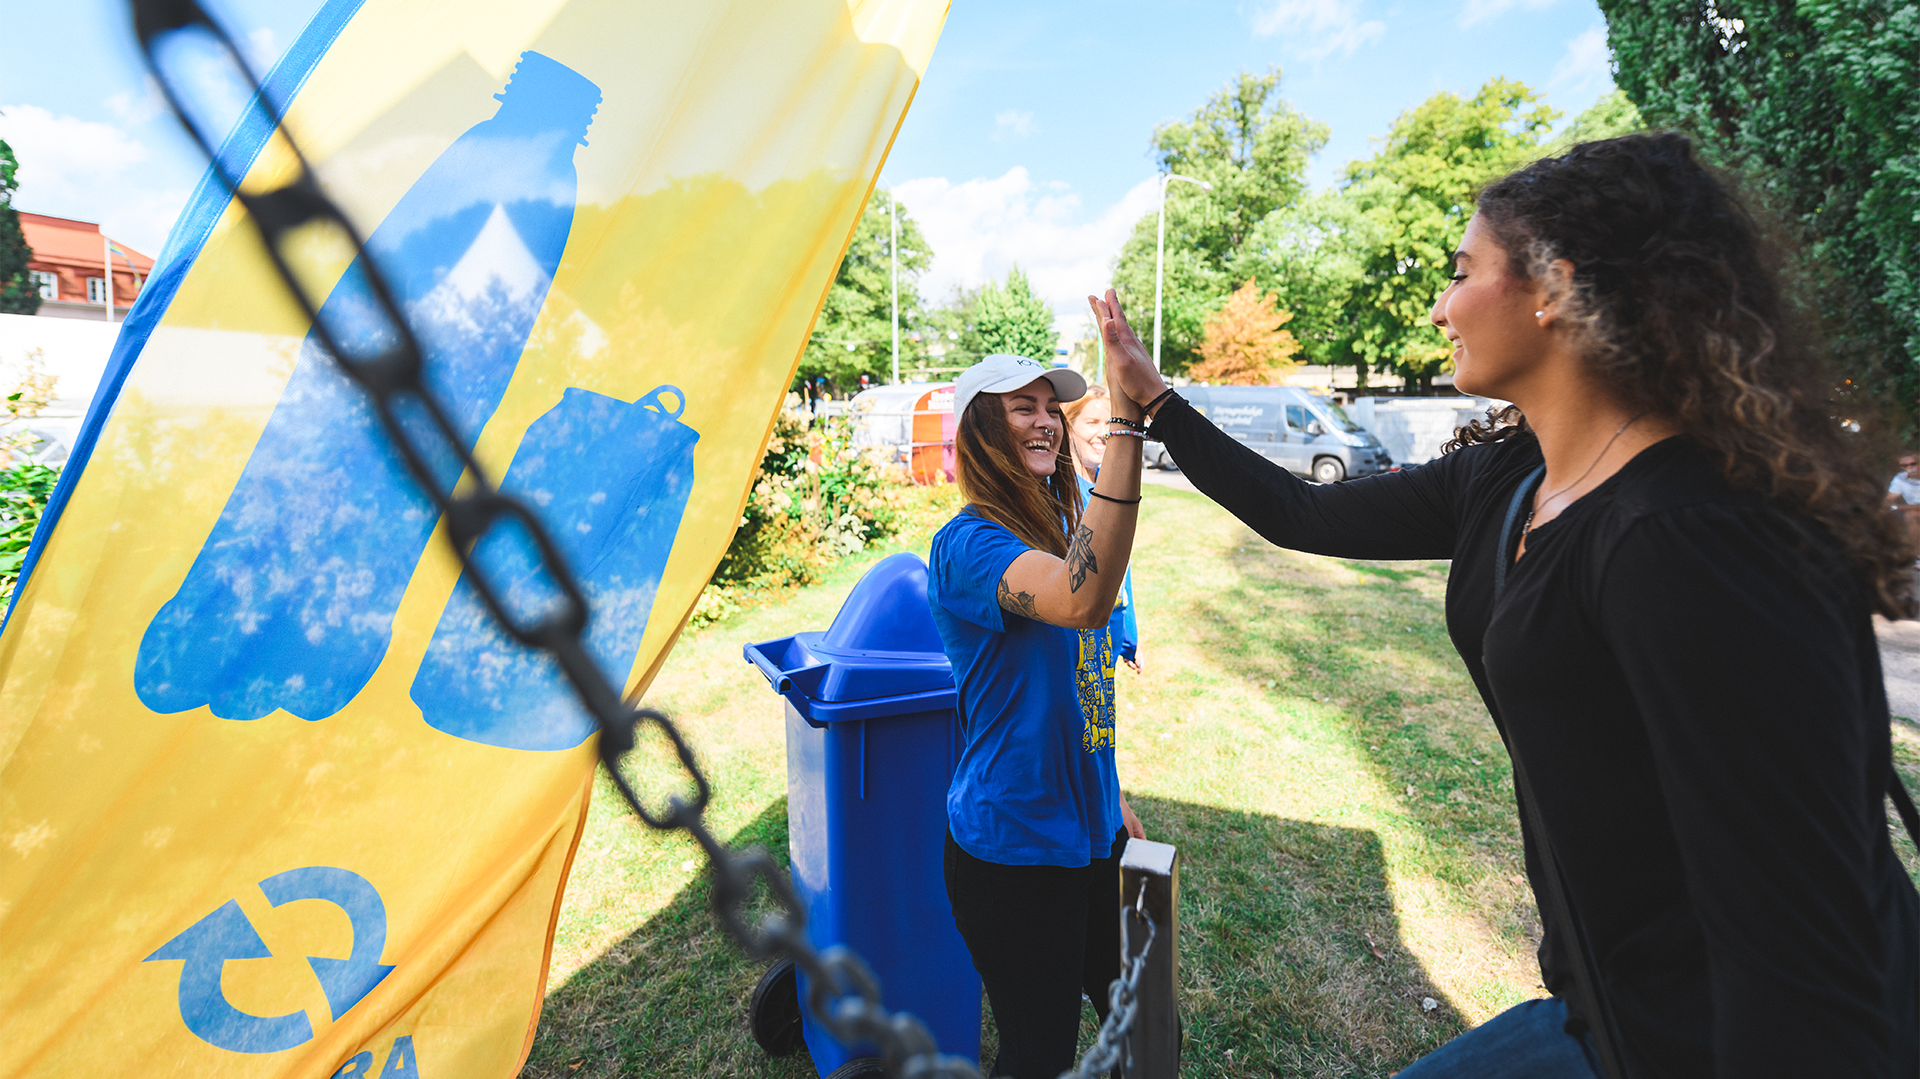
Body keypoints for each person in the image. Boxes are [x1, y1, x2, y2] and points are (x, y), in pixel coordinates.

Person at [1099, 133, 1918, 1077]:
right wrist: (1156, 400)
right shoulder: (1509, 477)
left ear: (1556, 289)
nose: (1442, 307)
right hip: (1604, 1009)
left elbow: (1802, 945)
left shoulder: (1691, 538)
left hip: (1723, 1038)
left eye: (1461, 273)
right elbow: (1298, 511)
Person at [928, 352, 1147, 1079]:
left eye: (1051, 408)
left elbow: (1085, 686)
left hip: (1091, 833)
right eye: (1024, 406)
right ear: (980, 429)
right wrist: (1128, 422)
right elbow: (1078, 601)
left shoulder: (1062, 524)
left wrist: (1108, 791)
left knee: (1147, 1026)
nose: (1047, 420)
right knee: (1039, 1054)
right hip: (1012, 849)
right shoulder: (967, 546)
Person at [1062, 385, 1143, 671]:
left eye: (1109, 422)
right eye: (1092, 422)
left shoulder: (1107, 488)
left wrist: (1130, 639)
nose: (1103, 432)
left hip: (1108, 636)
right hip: (1071, 643)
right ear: (1067, 426)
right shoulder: (1057, 493)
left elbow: (1121, 570)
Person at [1886, 452, 1920, 553]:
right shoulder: (1900, 478)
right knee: (1910, 515)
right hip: (1914, 511)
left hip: (1914, 509)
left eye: (1913, 464)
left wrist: (1896, 507)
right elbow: (1889, 498)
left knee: (1910, 515)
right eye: (1905, 465)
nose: (1909, 467)